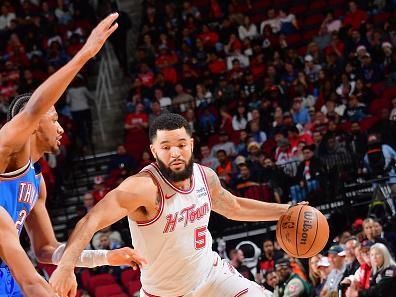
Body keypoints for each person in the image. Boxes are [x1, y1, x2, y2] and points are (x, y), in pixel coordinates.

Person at [49, 113, 298, 297]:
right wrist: (67, 265)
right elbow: (90, 221)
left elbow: (234, 207)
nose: (175, 153)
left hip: (213, 277)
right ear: (153, 151)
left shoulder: (206, 177)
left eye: (180, 144)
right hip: (164, 293)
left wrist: (286, 210)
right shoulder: (142, 188)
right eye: (166, 147)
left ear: (191, 144)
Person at [0, 14, 145, 297]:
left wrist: (104, 256)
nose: (60, 128)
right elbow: (34, 108)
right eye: (53, 119)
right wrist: (85, 54)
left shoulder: (36, 180)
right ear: (34, 124)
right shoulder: (5, 149)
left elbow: (45, 250)